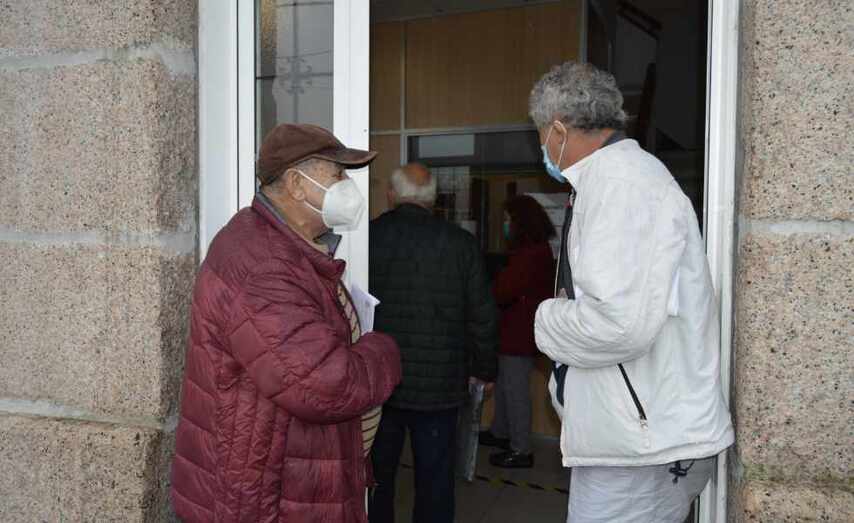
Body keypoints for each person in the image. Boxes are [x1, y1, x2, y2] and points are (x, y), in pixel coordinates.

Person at [529, 62, 734, 523]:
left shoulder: (621, 186)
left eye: (541, 133)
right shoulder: (614, 181)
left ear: (559, 130)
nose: (541, 146)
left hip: (643, 447)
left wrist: (546, 319)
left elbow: (616, 324)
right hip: (638, 437)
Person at [171, 123, 402, 523]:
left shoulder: (279, 246)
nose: (349, 186)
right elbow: (325, 384)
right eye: (338, 174)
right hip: (265, 499)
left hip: (280, 483)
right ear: (296, 184)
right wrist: (383, 350)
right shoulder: (263, 266)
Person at [367, 163, 499, 523]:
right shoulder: (462, 244)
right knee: (436, 480)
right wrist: (485, 370)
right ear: (433, 199)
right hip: (440, 387)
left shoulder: (367, 239)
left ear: (391, 196)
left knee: (376, 477)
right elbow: (482, 315)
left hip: (381, 384)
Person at [479, 195, 556, 469]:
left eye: (509, 219)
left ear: (521, 222)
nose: (505, 225)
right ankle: (501, 432)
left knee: (515, 390)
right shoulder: (538, 249)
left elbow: (504, 290)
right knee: (505, 386)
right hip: (518, 330)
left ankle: (521, 448)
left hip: (518, 333)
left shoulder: (528, 254)